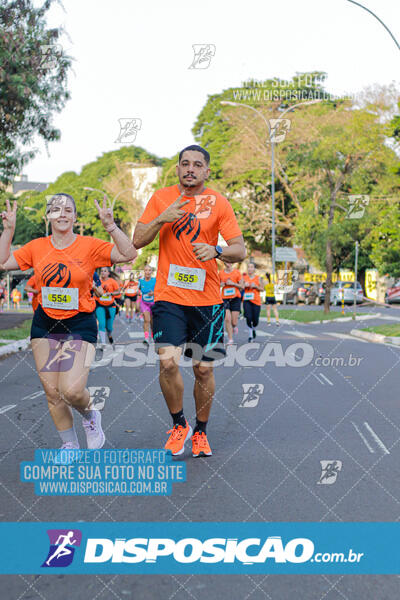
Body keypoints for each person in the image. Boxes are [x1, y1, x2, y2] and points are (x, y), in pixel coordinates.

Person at [0, 194, 136, 456]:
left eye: (68, 210)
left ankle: (90, 416)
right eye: (55, 209)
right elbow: (3, 262)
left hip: (79, 323)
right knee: (52, 392)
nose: (61, 213)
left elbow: (128, 253)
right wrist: (8, 230)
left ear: (75, 217)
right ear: (48, 216)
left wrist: (110, 226)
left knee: (72, 390)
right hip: (45, 325)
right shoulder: (36, 247)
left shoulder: (89, 246)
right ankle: (70, 444)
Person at [133, 144, 246, 457]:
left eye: (197, 164)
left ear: (206, 171)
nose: (190, 169)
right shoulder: (161, 198)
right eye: (185, 163)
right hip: (169, 296)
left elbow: (240, 249)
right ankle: (178, 423)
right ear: (178, 168)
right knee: (167, 361)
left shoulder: (218, 203)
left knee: (203, 370)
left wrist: (218, 251)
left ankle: (201, 431)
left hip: (207, 300)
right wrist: (162, 219)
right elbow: (138, 240)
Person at [95, 266, 120, 347]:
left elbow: (118, 292)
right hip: (100, 305)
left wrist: (111, 293)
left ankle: (109, 335)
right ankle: (103, 343)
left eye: (105, 271)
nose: (103, 272)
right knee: (101, 324)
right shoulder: (97, 281)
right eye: (101, 271)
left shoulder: (112, 281)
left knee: (109, 327)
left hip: (111, 306)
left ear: (108, 273)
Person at [219, 263, 243, 344]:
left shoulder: (237, 272)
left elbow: (242, 286)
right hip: (225, 298)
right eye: (226, 262)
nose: (228, 264)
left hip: (235, 298)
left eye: (230, 262)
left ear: (232, 263)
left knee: (234, 321)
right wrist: (221, 284)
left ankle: (234, 326)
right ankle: (230, 339)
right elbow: (216, 284)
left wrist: (233, 284)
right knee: (227, 319)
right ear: (224, 263)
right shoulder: (221, 273)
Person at [243, 263, 264, 342]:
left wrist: (255, 286)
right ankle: (250, 335)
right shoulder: (244, 278)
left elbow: (262, 289)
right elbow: (240, 287)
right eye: (248, 267)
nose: (250, 269)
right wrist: (244, 285)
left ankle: (254, 328)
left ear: (254, 269)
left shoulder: (258, 278)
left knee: (255, 320)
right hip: (247, 300)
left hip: (256, 301)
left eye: (251, 267)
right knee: (248, 317)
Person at [138, 265, 156, 345]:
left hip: (153, 303)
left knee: (152, 322)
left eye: (149, 270)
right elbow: (137, 291)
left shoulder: (155, 280)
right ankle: (146, 338)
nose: (147, 272)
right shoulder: (140, 281)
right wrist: (137, 293)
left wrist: (153, 293)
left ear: (151, 272)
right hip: (144, 303)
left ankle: (153, 336)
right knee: (146, 320)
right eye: (146, 270)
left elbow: (160, 290)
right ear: (144, 272)